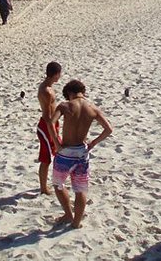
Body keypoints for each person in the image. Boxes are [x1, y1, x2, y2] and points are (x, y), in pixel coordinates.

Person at [47, 79, 113, 229]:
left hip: (65, 153)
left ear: (69, 93)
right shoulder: (93, 108)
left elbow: (51, 123)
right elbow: (108, 129)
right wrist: (93, 143)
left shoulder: (65, 105)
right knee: (80, 189)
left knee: (58, 184)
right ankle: (76, 223)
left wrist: (57, 144)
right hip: (82, 153)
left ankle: (68, 214)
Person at [36, 61, 62, 195]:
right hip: (46, 126)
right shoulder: (46, 90)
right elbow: (47, 115)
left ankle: (56, 181)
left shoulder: (49, 87)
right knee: (46, 158)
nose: (60, 77)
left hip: (52, 125)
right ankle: (43, 188)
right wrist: (52, 130)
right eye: (59, 74)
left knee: (59, 152)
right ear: (56, 74)